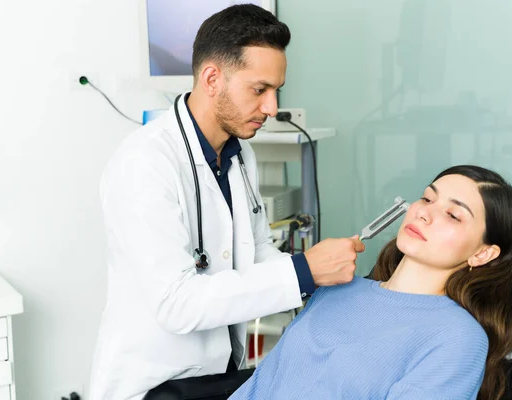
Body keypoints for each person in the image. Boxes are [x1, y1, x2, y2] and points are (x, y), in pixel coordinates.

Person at [88, 5, 365, 400]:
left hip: (215, 378)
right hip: (154, 384)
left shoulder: (238, 153)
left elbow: (256, 252)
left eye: (276, 91)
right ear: (212, 77)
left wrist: (322, 280)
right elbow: (177, 303)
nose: (271, 108)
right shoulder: (144, 163)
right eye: (259, 90)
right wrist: (303, 271)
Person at [231, 165, 512, 400]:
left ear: (482, 253)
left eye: (453, 215)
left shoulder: (457, 337)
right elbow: (263, 384)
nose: (425, 212)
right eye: (427, 198)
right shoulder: (337, 289)